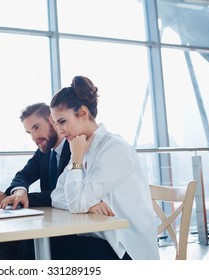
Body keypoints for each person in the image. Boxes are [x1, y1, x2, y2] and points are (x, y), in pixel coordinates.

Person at [47, 75, 160, 260]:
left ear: (83, 113)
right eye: (56, 123)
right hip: (99, 238)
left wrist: (76, 160)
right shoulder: (82, 146)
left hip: (126, 250)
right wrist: (88, 205)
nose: (59, 131)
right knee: (42, 243)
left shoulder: (114, 149)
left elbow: (76, 204)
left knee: (50, 247)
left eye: (62, 121)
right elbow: (56, 195)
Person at [0, 102, 115, 260]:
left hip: (77, 225)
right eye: (29, 132)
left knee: (31, 244)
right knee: (4, 240)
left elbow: (65, 194)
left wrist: (23, 201)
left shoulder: (76, 148)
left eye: (36, 127)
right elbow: (23, 175)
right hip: (54, 221)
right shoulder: (44, 152)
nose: (34, 137)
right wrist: (20, 191)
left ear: (53, 120)